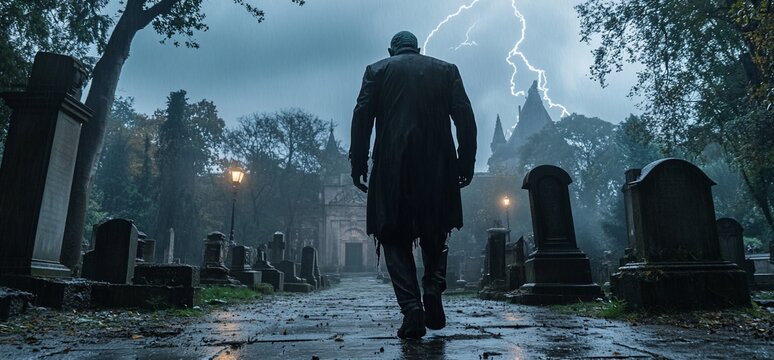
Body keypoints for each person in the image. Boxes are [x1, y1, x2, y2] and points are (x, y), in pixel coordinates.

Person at [349, 31, 477, 339]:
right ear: (418, 49)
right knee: (436, 229)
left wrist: (359, 164)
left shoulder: (377, 71)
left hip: (392, 165)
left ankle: (411, 309)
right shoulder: (446, 70)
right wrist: (465, 162)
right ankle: (432, 286)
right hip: (438, 164)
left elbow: (362, 117)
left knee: (393, 236)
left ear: (390, 50)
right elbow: (465, 118)